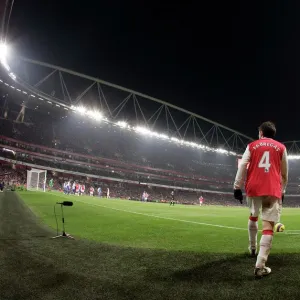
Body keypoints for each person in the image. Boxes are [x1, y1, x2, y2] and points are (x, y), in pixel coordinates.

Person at [234, 121, 288, 279]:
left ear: (261, 133)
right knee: (268, 227)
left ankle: (252, 248)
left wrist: (236, 187)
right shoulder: (281, 147)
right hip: (272, 189)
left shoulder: (252, 146)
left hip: (253, 187)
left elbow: (243, 165)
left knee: (253, 216)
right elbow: (284, 173)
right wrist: (282, 190)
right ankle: (260, 266)